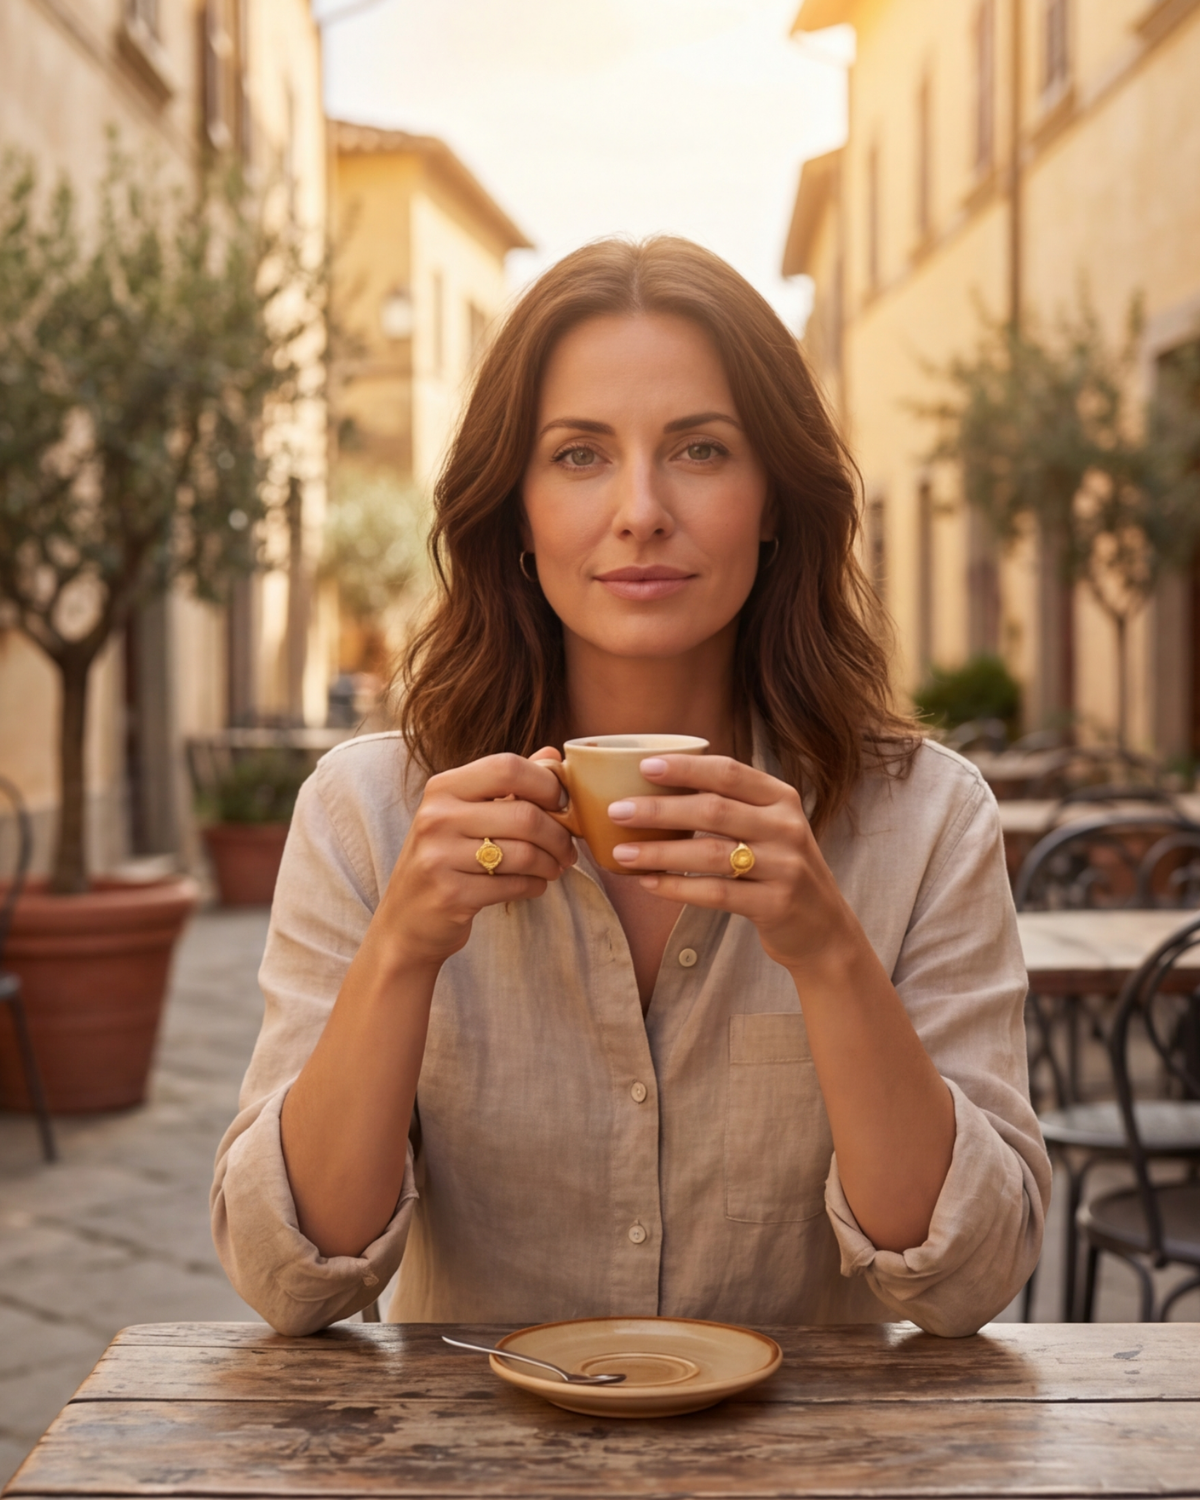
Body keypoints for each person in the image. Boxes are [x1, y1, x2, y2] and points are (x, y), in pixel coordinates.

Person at [212, 237, 1049, 1338]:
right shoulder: (366, 814)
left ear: (774, 500)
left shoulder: (928, 819)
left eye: (701, 449)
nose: (642, 509)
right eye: (579, 455)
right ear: (515, 510)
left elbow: (967, 1281)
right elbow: (290, 1278)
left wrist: (829, 951)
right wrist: (404, 947)